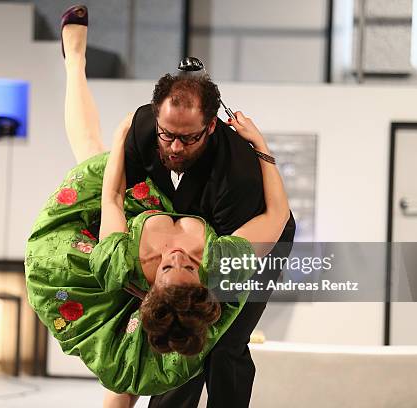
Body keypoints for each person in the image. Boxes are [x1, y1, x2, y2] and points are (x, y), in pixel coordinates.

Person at [25, 5, 292, 408]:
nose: (178, 255)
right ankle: (75, 61)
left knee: (221, 346)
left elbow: (275, 218)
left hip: (246, 222)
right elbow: (111, 193)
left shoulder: (235, 179)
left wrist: (260, 152)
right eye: (168, 135)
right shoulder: (149, 132)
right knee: (91, 154)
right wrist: (120, 142)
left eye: (170, 265)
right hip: (170, 214)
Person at [123, 33, 296, 408]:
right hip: (184, 239)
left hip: (255, 234)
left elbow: (233, 255)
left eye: (188, 139)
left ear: (212, 127)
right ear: (155, 116)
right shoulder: (141, 129)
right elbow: (129, 203)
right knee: (166, 326)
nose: (174, 147)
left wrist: (175, 284)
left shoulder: (237, 174)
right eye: (166, 135)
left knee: (221, 338)